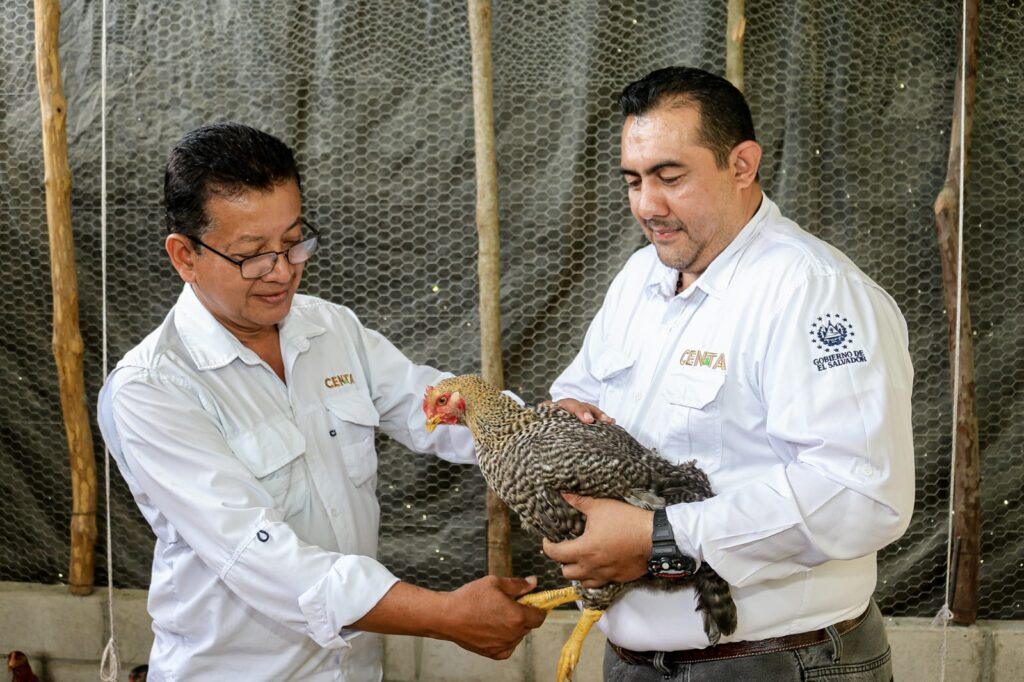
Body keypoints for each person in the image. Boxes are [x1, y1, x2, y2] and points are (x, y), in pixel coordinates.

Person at [97, 122, 545, 681]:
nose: (282, 271)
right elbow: (261, 558)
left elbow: (429, 406)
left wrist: (543, 433)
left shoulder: (330, 328)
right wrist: (445, 616)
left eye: (293, 242)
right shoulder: (151, 389)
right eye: (252, 255)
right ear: (185, 255)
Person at [545, 67, 914, 681]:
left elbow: (861, 494)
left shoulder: (814, 292)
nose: (647, 205)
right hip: (632, 661)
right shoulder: (639, 278)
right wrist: (567, 417)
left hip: (777, 661)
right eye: (633, 180)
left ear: (741, 164)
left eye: (670, 177)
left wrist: (661, 537)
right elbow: (579, 391)